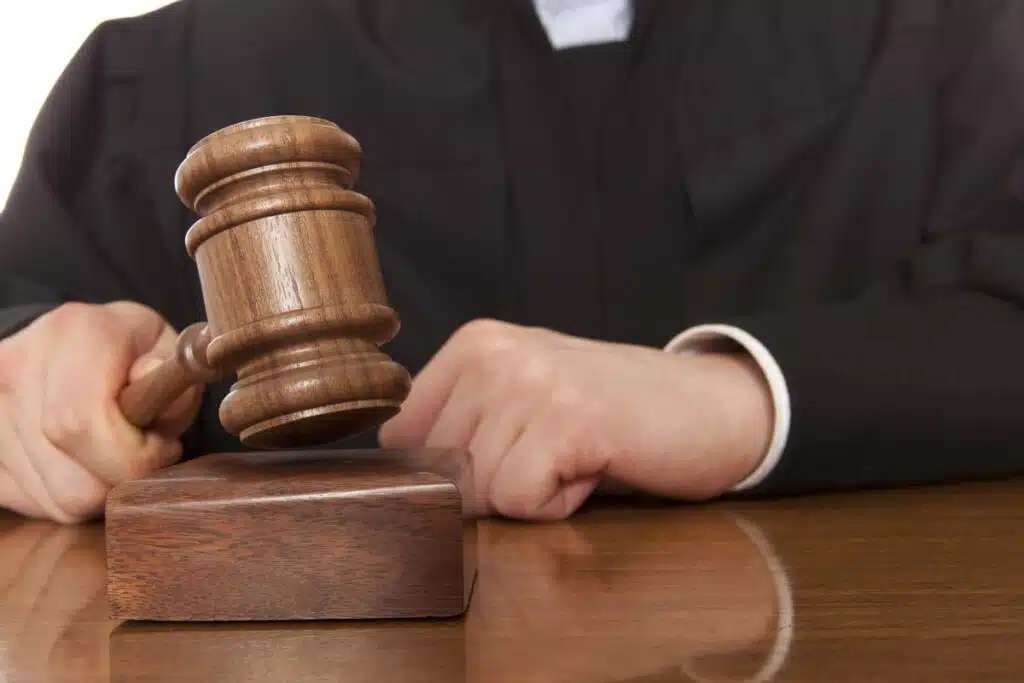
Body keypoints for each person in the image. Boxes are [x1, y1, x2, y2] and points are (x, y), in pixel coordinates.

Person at [2, 0, 1023, 525]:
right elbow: (22, 320)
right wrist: (28, 387)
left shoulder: (939, 39)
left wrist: (743, 397)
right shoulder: (173, 78)